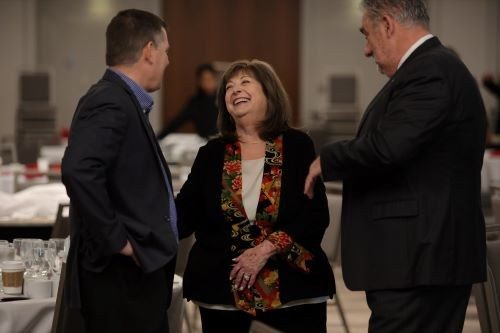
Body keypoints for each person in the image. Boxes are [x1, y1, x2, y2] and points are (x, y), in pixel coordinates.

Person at [304, 0, 487, 332]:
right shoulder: (432, 68)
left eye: (367, 35)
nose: (366, 50)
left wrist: (326, 160)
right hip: (418, 260)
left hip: (420, 261)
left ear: (387, 24)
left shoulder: (430, 71)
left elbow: (388, 147)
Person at [176, 59, 335, 332]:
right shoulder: (211, 154)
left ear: (269, 93)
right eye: (229, 87)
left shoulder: (297, 146)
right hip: (222, 292)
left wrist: (266, 249)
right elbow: (183, 215)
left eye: (245, 82)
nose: (235, 89)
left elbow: (315, 215)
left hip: (293, 289)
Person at [61, 9, 178, 333]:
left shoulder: (121, 99)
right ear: (149, 52)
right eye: (166, 51)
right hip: (120, 281)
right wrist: (120, 242)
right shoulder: (111, 100)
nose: (168, 61)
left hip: (131, 279)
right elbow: (79, 170)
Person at [157, 63, 219, 139]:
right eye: (204, 80)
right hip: (205, 143)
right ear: (199, 82)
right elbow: (177, 122)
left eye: (210, 79)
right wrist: (157, 138)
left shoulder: (223, 99)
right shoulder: (195, 102)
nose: (208, 83)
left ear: (215, 79)